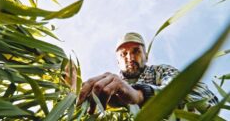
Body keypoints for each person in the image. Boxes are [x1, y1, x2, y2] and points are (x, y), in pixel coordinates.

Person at [77, 32, 218, 114]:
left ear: (146, 55)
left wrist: (141, 95)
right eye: (123, 54)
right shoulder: (108, 89)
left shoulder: (161, 71)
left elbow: (204, 98)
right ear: (117, 61)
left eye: (136, 51)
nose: (130, 58)